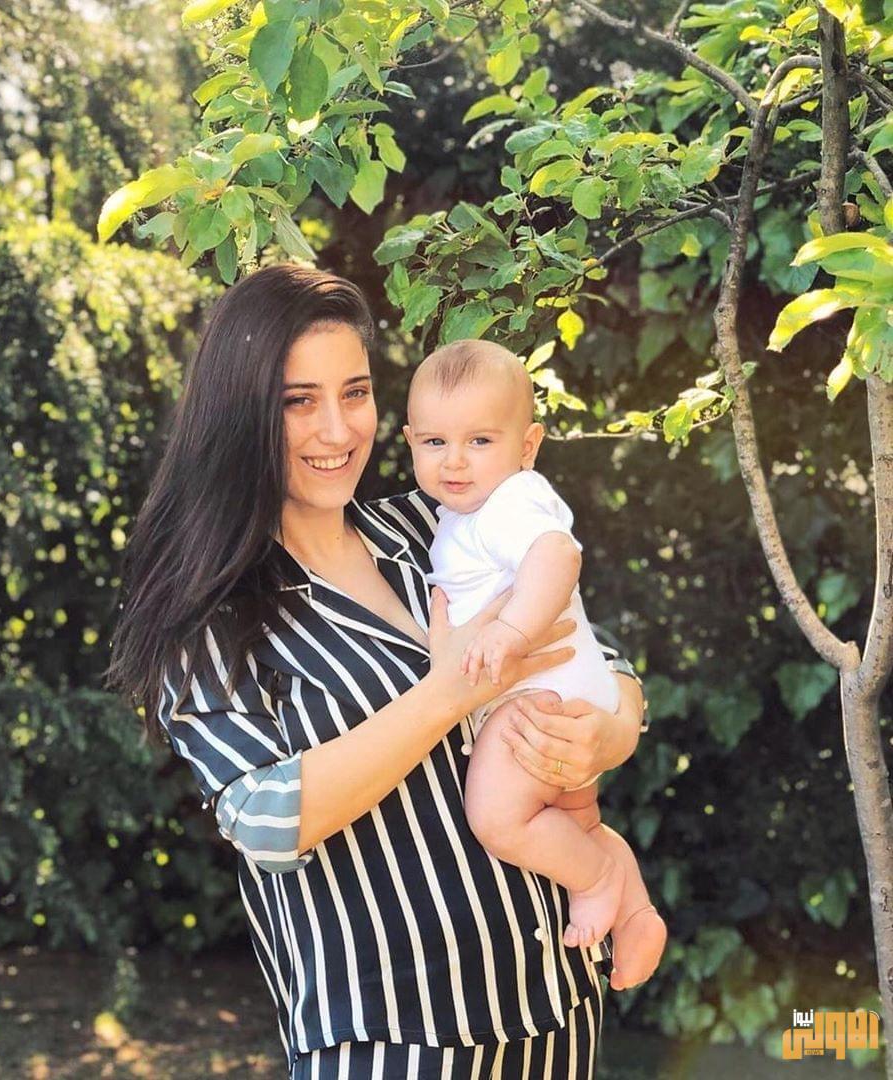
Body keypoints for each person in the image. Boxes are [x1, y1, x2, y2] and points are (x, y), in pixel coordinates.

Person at [106, 263, 649, 1078]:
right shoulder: (211, 610)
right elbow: (262, 818)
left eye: (354, 393)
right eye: (299, 401)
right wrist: (447, 695)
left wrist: (610, 733)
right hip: (391, 1037)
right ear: (240, 414)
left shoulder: (433, 524)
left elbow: (596, 652)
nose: (337, 429)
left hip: (553, 1001)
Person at [404, 338, 667, 992]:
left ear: (527, 446)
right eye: (434, 442)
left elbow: (556, 555)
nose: (454, 460)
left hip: (535, 700)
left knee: (497, 818)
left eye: (479, 441)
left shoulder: (511, 501)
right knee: (577, 822)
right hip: (558, 698)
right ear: (409, 442)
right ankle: (634, 911)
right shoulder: (458, 515)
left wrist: (513, 631)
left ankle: (598, 879)